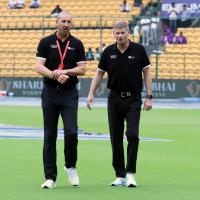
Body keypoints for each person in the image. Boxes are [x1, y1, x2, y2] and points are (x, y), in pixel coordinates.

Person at [87, 21, 153, 187]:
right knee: (115, 138)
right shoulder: (108, 51)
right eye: (117, 33)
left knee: (132, 134)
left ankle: (130, 173)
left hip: (133, 98)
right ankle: (119, 175)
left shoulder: (139, 50)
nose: (120, 36)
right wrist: (90, 94)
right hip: (114, 98)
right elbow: (99, 74)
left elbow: (147, 74)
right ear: (113, 34)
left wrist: (149, 97)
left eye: (123, 33)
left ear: (128, 33)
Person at [35, 11, 86, 189]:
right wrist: (54, 75)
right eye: (63, 21)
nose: (66, 24)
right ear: (56, 22)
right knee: (50, 135)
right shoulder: (45, 42)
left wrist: (65, 72)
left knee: (71, 132)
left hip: (69, 94)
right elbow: (38, 66)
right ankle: (50, 177)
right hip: (50, 93)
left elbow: (82, 70)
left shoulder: (77, 44)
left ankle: (70, 166)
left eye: (69, 22)